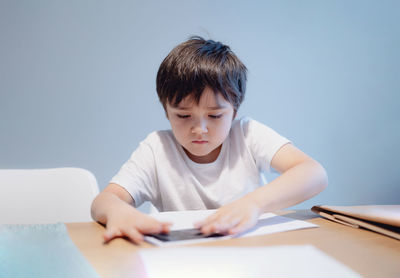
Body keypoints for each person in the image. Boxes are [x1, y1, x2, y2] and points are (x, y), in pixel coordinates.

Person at [91, 36, 328, 244]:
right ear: (166, 112)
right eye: (183, 115)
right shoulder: (157, 148)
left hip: (247, 254)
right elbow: (103, 201)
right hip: (182, 259)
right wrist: (118, 212)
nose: (199, 129)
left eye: (215, 115)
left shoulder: (247, 134)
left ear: (233, 112)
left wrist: (253, 204)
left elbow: (314, 173)